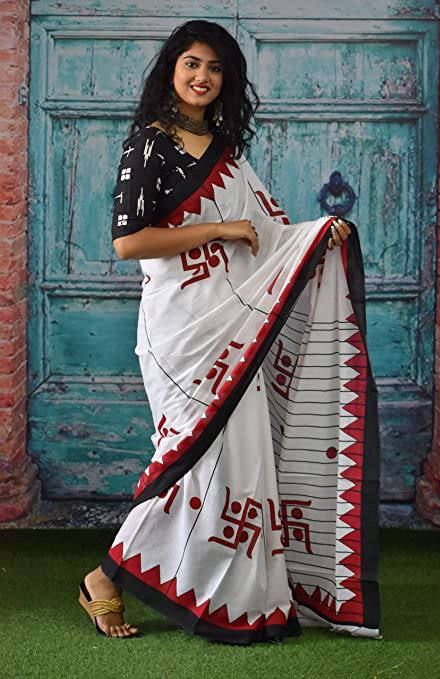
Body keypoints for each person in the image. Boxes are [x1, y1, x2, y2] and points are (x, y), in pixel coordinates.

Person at [78, 20, 381, 644]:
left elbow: (266, 235)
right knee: (187, 453)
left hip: (235, 323)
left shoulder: (226, 154)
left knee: (231, 459)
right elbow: (131, 242)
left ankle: (221, 590)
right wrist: (215, 230)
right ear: (171, 70)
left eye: (214, 68)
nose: (201, 77)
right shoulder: (148, 147)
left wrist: (318, 234)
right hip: (182, 329)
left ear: (226, 81)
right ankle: (104, 579)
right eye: (191, 63)